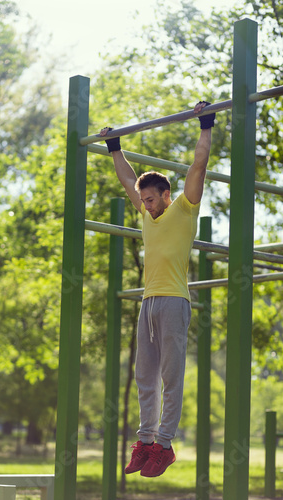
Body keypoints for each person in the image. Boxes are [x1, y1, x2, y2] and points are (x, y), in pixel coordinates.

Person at [99, 101, 215, 478]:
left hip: (174, 302)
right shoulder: (147, 216)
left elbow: (198, 165)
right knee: (144, 376)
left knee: (170, 375)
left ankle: (164, 445)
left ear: (165, 194)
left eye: (150, 199)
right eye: (143, 199)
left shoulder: (184, 208)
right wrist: (114, 147)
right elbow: (125, 178)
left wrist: (206, 124)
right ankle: (145, 440)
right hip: (148, 303)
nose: (145, 206)